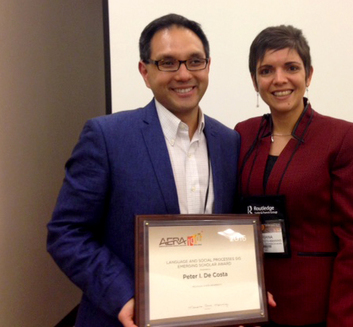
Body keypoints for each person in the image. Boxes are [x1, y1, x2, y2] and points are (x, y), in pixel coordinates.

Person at [47, 14, 239, 327]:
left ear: (207, 66)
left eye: (194, 61)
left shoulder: (229, 142)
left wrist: (243, 291)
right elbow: (66, 233)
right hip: (124, 319)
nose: (183, 74)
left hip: (208, 316)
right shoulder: (107, 136)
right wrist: (122, 295)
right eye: (167, 62)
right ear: (144, 71)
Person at [235, 25, 353, 327]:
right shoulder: (242, 134)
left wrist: (344, 321)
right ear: (254, 80)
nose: (279, 79)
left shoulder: (341, 137)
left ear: (308, 75)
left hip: (315, 307)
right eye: (266, 70)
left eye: (291, 67)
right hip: (252, 305)